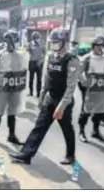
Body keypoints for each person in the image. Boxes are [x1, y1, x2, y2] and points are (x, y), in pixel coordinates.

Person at [10, 28, 79, 165]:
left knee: (67, 129)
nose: (53, 44)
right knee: (39, 127)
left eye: (56, 42)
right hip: (50, 98)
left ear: (64, 43)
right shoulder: (51, 56)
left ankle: (70, 156)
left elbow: (71, 87)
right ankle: (26, 154)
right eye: (52, 42)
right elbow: (46, 79)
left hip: (63, 102)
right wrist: (41, 98)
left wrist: (61, 107)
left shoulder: (71, 60)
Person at [0, 30, 28, 145]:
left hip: (14, 88)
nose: (10, 44)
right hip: (1, 88)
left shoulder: (20, 56)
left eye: (12, 41)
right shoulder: (0, 55)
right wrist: (1, 74)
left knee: (12, 112)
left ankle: (12, 135)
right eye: (8, 41)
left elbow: (23, 70)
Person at [77, 36, 104, 143]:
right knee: (86, 111)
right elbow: (79, 73)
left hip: (103, 89)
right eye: (101, 47)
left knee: (101, 110)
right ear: (95, 47)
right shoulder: (87, 59)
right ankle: (81, 131)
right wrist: (85, 81)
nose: (103, 50)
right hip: (90, 89)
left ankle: (95, 131)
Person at [27, 31, 45, 97]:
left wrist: (41, 60)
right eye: (34, 38)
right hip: (32, 63)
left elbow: (44, 53)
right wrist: (31, 56)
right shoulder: (30, 44)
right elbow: (28, 51)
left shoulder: (42, 43)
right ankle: (31, 92)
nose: (36, 39)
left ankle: (38, 93)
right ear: (33, 38)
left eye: (37, 37)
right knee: (31, 78)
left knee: (39, 79)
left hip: (39, 63)